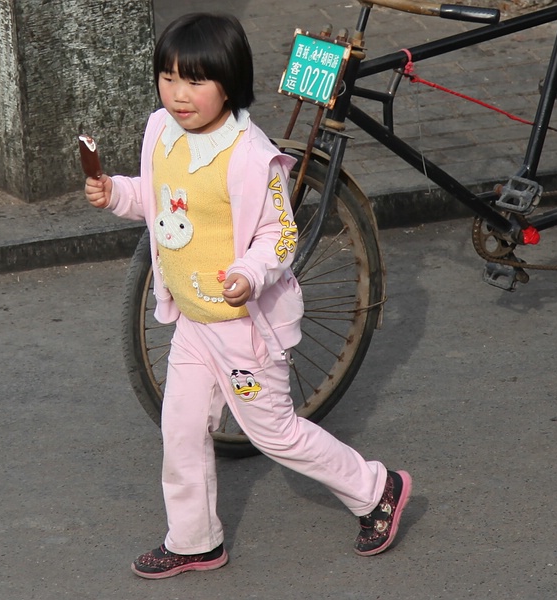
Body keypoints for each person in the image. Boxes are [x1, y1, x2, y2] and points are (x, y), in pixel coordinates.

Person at [84, 12, 412, 580]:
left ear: (229, 84)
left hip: (243, 330)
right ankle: (194, 540)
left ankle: (375, 488)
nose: (177, 94)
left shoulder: (251, 156)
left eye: (194, 81)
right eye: (167, 77)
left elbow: (280, 234)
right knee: (181, 429)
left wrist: (250, 274)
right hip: (194, 322)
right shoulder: (160, 130)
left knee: (275, 433)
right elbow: (160, 200)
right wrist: (116, 192)